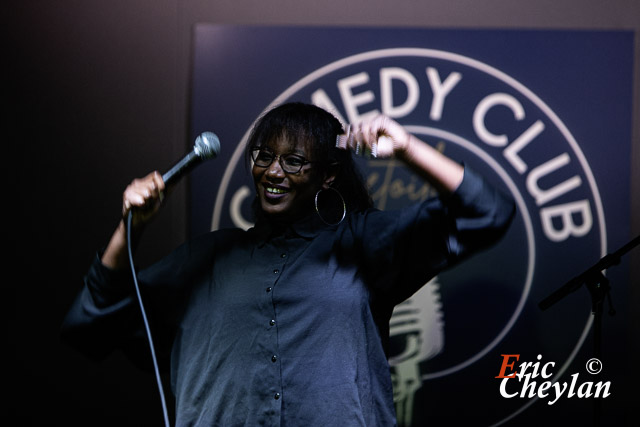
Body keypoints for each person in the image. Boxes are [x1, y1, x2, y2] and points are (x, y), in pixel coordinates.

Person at [62, 102, 515, 426]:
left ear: (328, 174)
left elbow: (488, 212)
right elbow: (89, 325)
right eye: (264, 156)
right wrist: (132, 227)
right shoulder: (206, 259)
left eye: (294, 161)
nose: (274, 172)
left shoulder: (359, 242)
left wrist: (407, 148)